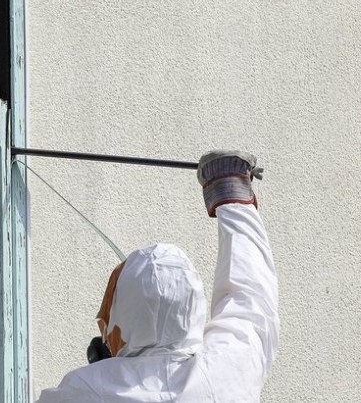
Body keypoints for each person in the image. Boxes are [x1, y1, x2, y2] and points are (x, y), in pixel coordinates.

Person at [37, 150, 279, 402]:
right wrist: (232, 195)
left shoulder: (85, 389)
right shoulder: (227, 371)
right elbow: (251, 297)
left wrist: (110, 371)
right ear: (192, 309)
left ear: (126, 320)